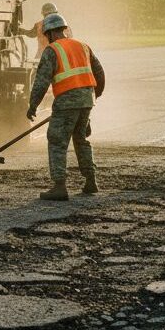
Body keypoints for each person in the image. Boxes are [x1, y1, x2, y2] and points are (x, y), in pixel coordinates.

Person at [27, 13, 105, 201]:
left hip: (66, 102)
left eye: (46, 35)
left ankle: (59, 186)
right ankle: (90, 181)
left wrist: (32, 106)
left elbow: (41, 82)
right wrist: (94, 95)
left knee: (56, 141)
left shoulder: (52, 50)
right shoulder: (83, 46)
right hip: (86, 100)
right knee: (80, 140)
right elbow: (99, 72)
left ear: (51, 33)